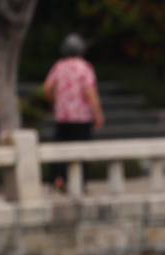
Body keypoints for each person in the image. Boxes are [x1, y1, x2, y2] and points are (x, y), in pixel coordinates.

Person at [43, 33, 105, 192]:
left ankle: (58, 178)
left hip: (62, 115)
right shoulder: (85, 67)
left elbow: (47, 87)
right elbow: (90, 91)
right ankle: (81, 183)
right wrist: (98, 113)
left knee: (60, 147)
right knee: (82, 150)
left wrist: (54, 100)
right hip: (81, 116)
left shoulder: (59, 65)